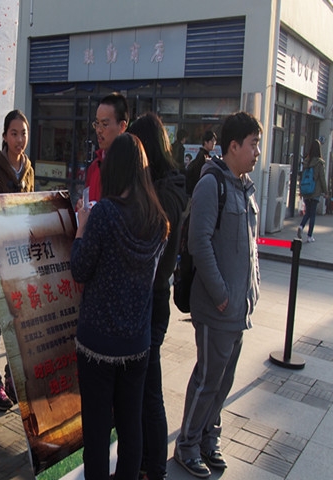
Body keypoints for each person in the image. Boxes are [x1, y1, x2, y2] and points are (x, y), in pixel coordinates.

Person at [71, 133, 169, 480]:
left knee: (97, 433)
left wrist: (81, 229)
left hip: (97, 342)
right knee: (131, 428)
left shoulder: (105, 214)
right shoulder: (156, 218)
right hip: (137, 342)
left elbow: (80, 269)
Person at [174, 112, 262, 478]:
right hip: (217, 307)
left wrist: (252, 289)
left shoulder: (243, 185)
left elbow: (250, 246)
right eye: (253, 144)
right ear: (234, 146)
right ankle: (187, 445)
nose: (257, 152)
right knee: (208, 379)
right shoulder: (212, 185)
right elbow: (200, 243)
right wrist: (221, 294)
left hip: (238, 308)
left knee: (224, 381)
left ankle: (209, 437)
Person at [128, 113, 187, 480]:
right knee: (146, 389)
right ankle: (147, 465)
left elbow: (145, 248)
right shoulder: (170, 187)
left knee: (149, 390)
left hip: (150, 299)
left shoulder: (161, 194)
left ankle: (153, 468)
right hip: (155, 295)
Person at [0, 109, 34, 408]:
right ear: (5, 136)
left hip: (22, 256)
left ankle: (12, 376)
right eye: (14, 133)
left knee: (19, 319)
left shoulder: (28, 168)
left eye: (23, 133)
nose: (19, 139)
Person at [85, 92, 129, 202]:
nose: (99, 130)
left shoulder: (130, 168)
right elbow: (86, 200)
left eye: (105, 124)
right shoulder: (94, 166)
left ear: (122, 126)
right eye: (97, 123)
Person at [297, 139, 328, 243]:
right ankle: (309, 236)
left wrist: (301, 190)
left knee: (308, 212)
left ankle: (301, 226)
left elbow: (302, 176)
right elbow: (322, 178)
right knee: (312, 214)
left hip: (306, 190)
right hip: (315, 191)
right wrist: (325, 191)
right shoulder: (319, 163)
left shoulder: (306, 162)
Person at [185, 130, 217, 195]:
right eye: (212, 141)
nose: (214, 143)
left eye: (215, 141)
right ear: (206, 142)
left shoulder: (204, 155)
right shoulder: (202, 156)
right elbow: (198, 174)